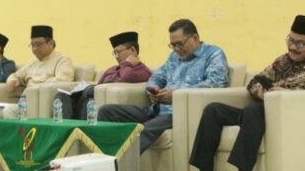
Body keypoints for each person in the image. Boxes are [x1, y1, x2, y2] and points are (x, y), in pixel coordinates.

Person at [173, 15, 305, 171]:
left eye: (300, 43)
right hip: (264, 111)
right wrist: (269, 94)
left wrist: (287, 93)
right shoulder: (283, 61)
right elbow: (255, 82)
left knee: (253, 110)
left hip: (292, 116)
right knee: (213, 110)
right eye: (290, 40)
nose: (293, 47)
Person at [98, 19, 229, 153]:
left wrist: (176, 94)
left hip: (179, 113)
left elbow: (216, 83)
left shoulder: (213, 54)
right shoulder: (173, 57)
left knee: (143, 129)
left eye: (180, 44)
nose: (176, 49)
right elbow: (156, 77)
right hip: (155, 110)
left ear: (194, 38)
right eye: (173, 45)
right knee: (107, 111)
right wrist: (153, 90)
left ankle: (117, 162)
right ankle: (102, 158)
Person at [0, 25, 74, 119]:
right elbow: (16, 75)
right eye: (32, 45)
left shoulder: (62, 60)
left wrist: (37, 86)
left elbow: (64, 81)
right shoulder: (32, 62)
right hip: (25, 103)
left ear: (51, 43)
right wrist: (13, 80)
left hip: (42, 105)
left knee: (9, 110)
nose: (34, 48)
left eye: (38, 44)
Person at [55, 31, 151, 119]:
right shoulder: (111, 70)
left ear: (133, 50)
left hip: (99, 108)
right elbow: (98, 86)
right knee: (62, 95)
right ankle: (64, 129)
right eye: (114, 53)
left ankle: (83, 129)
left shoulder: (143, 71)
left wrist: (127, 64)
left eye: (118, 52)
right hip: (86, 103)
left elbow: (127, 76)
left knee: (91, 92)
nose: (116, 57)